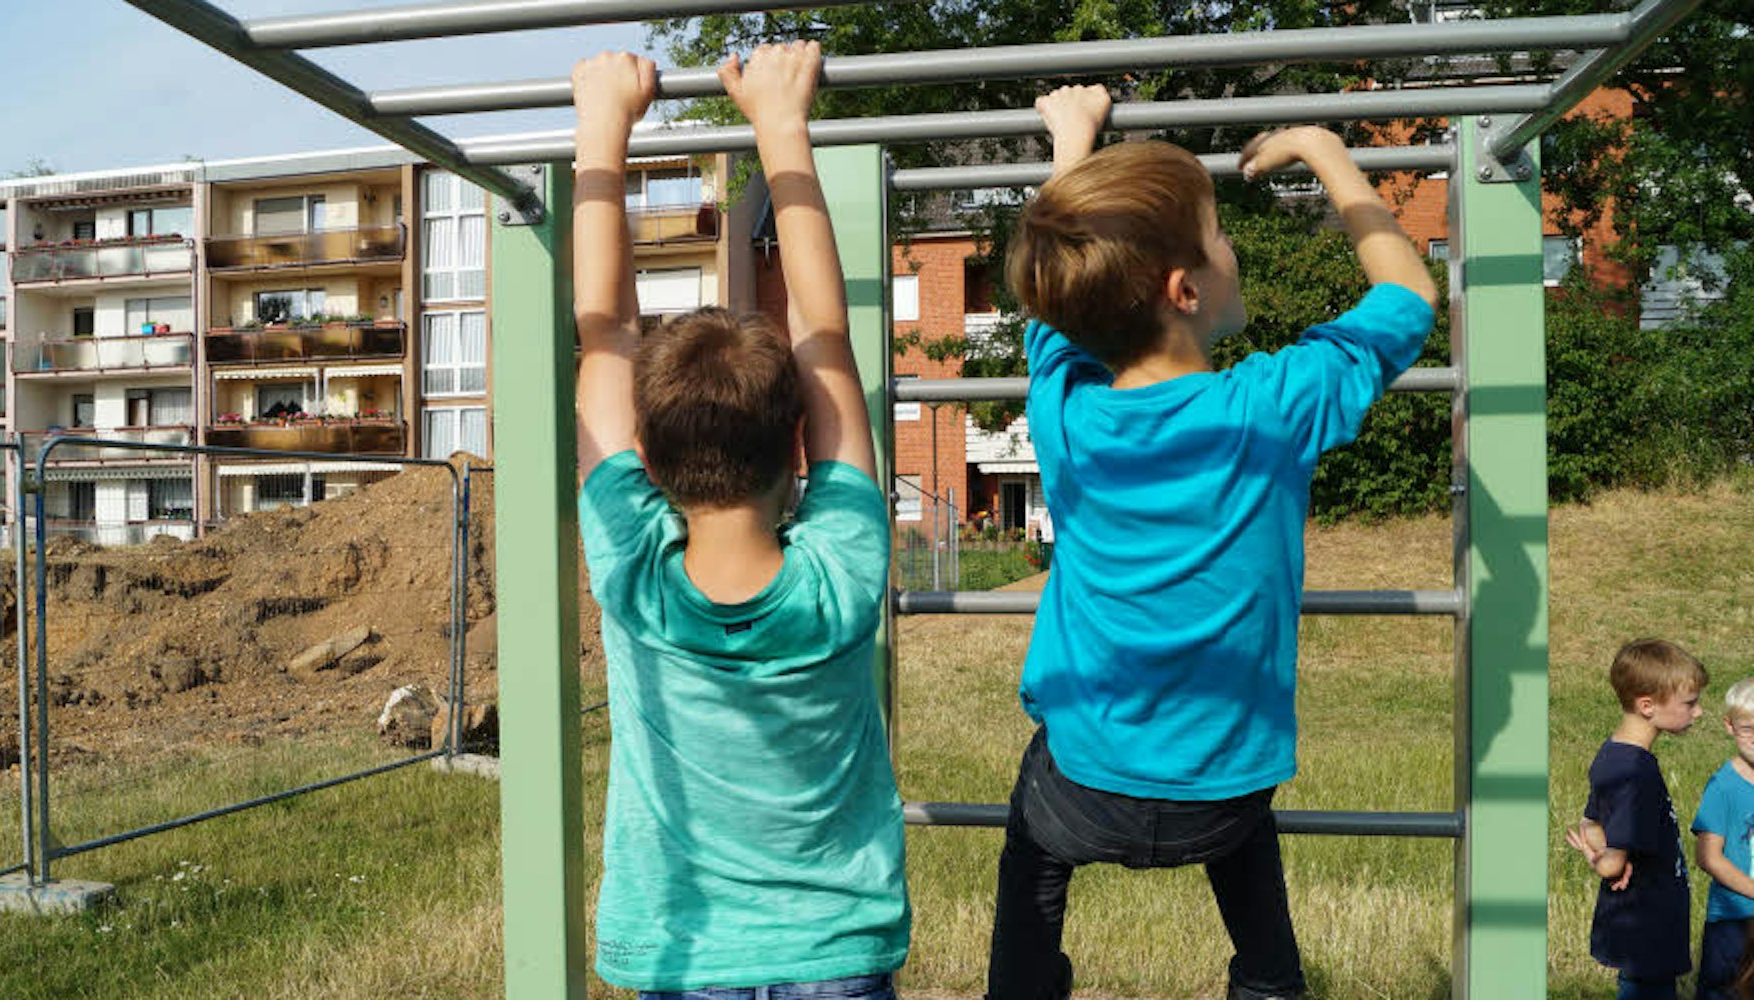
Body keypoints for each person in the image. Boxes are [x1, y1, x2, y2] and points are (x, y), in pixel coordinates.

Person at [984, 83, 1440, 1000]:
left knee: (1029, 848)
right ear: (1185, 290)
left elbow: (1057, 313)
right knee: (1236, 820)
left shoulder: (1064, 411)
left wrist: (1072, 139)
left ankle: (1021, 988)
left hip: (1083, 792)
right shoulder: (1272, 405)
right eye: (1220, 235)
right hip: (1225, 799)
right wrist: (1325, 151)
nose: (1233, 247)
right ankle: (1270, 983)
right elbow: (1408, 295)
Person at [570, 42, 908, 999]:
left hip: (684, 956)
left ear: (645, 455)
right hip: (836, 953)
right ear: (799, 440)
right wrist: (780, 124)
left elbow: (604, 333)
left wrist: (603, 129)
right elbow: (827, 338)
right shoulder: (840, 572)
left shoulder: (635, 572)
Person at [1567, 639, 1708, 1000]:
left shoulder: (1613, 753)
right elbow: (1611, 866)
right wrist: (1601, 858)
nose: (1698, 712)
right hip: (1649, 923)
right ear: (1647, 706)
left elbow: (1590, 820)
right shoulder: (1636, 773)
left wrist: (1604, 844)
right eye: (1689, 703)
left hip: (1642, 923)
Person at [1697, 678, 1754, 1000]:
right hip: (1734, 918)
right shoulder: (1723, 786)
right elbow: (1708, 857)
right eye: (1748, 728)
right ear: (1729, 726)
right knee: (1725, 993)